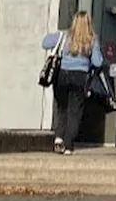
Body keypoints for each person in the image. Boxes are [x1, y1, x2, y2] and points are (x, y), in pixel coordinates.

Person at [41, 11, 104, 155]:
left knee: (61, 108)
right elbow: (97, 61)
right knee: (75, 111)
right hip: (80, 76)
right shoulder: (92, 39)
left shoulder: (64, 36)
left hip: (62, 74)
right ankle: (68, 145)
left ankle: (58, 139)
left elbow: (44, 43)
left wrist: (56, 36)